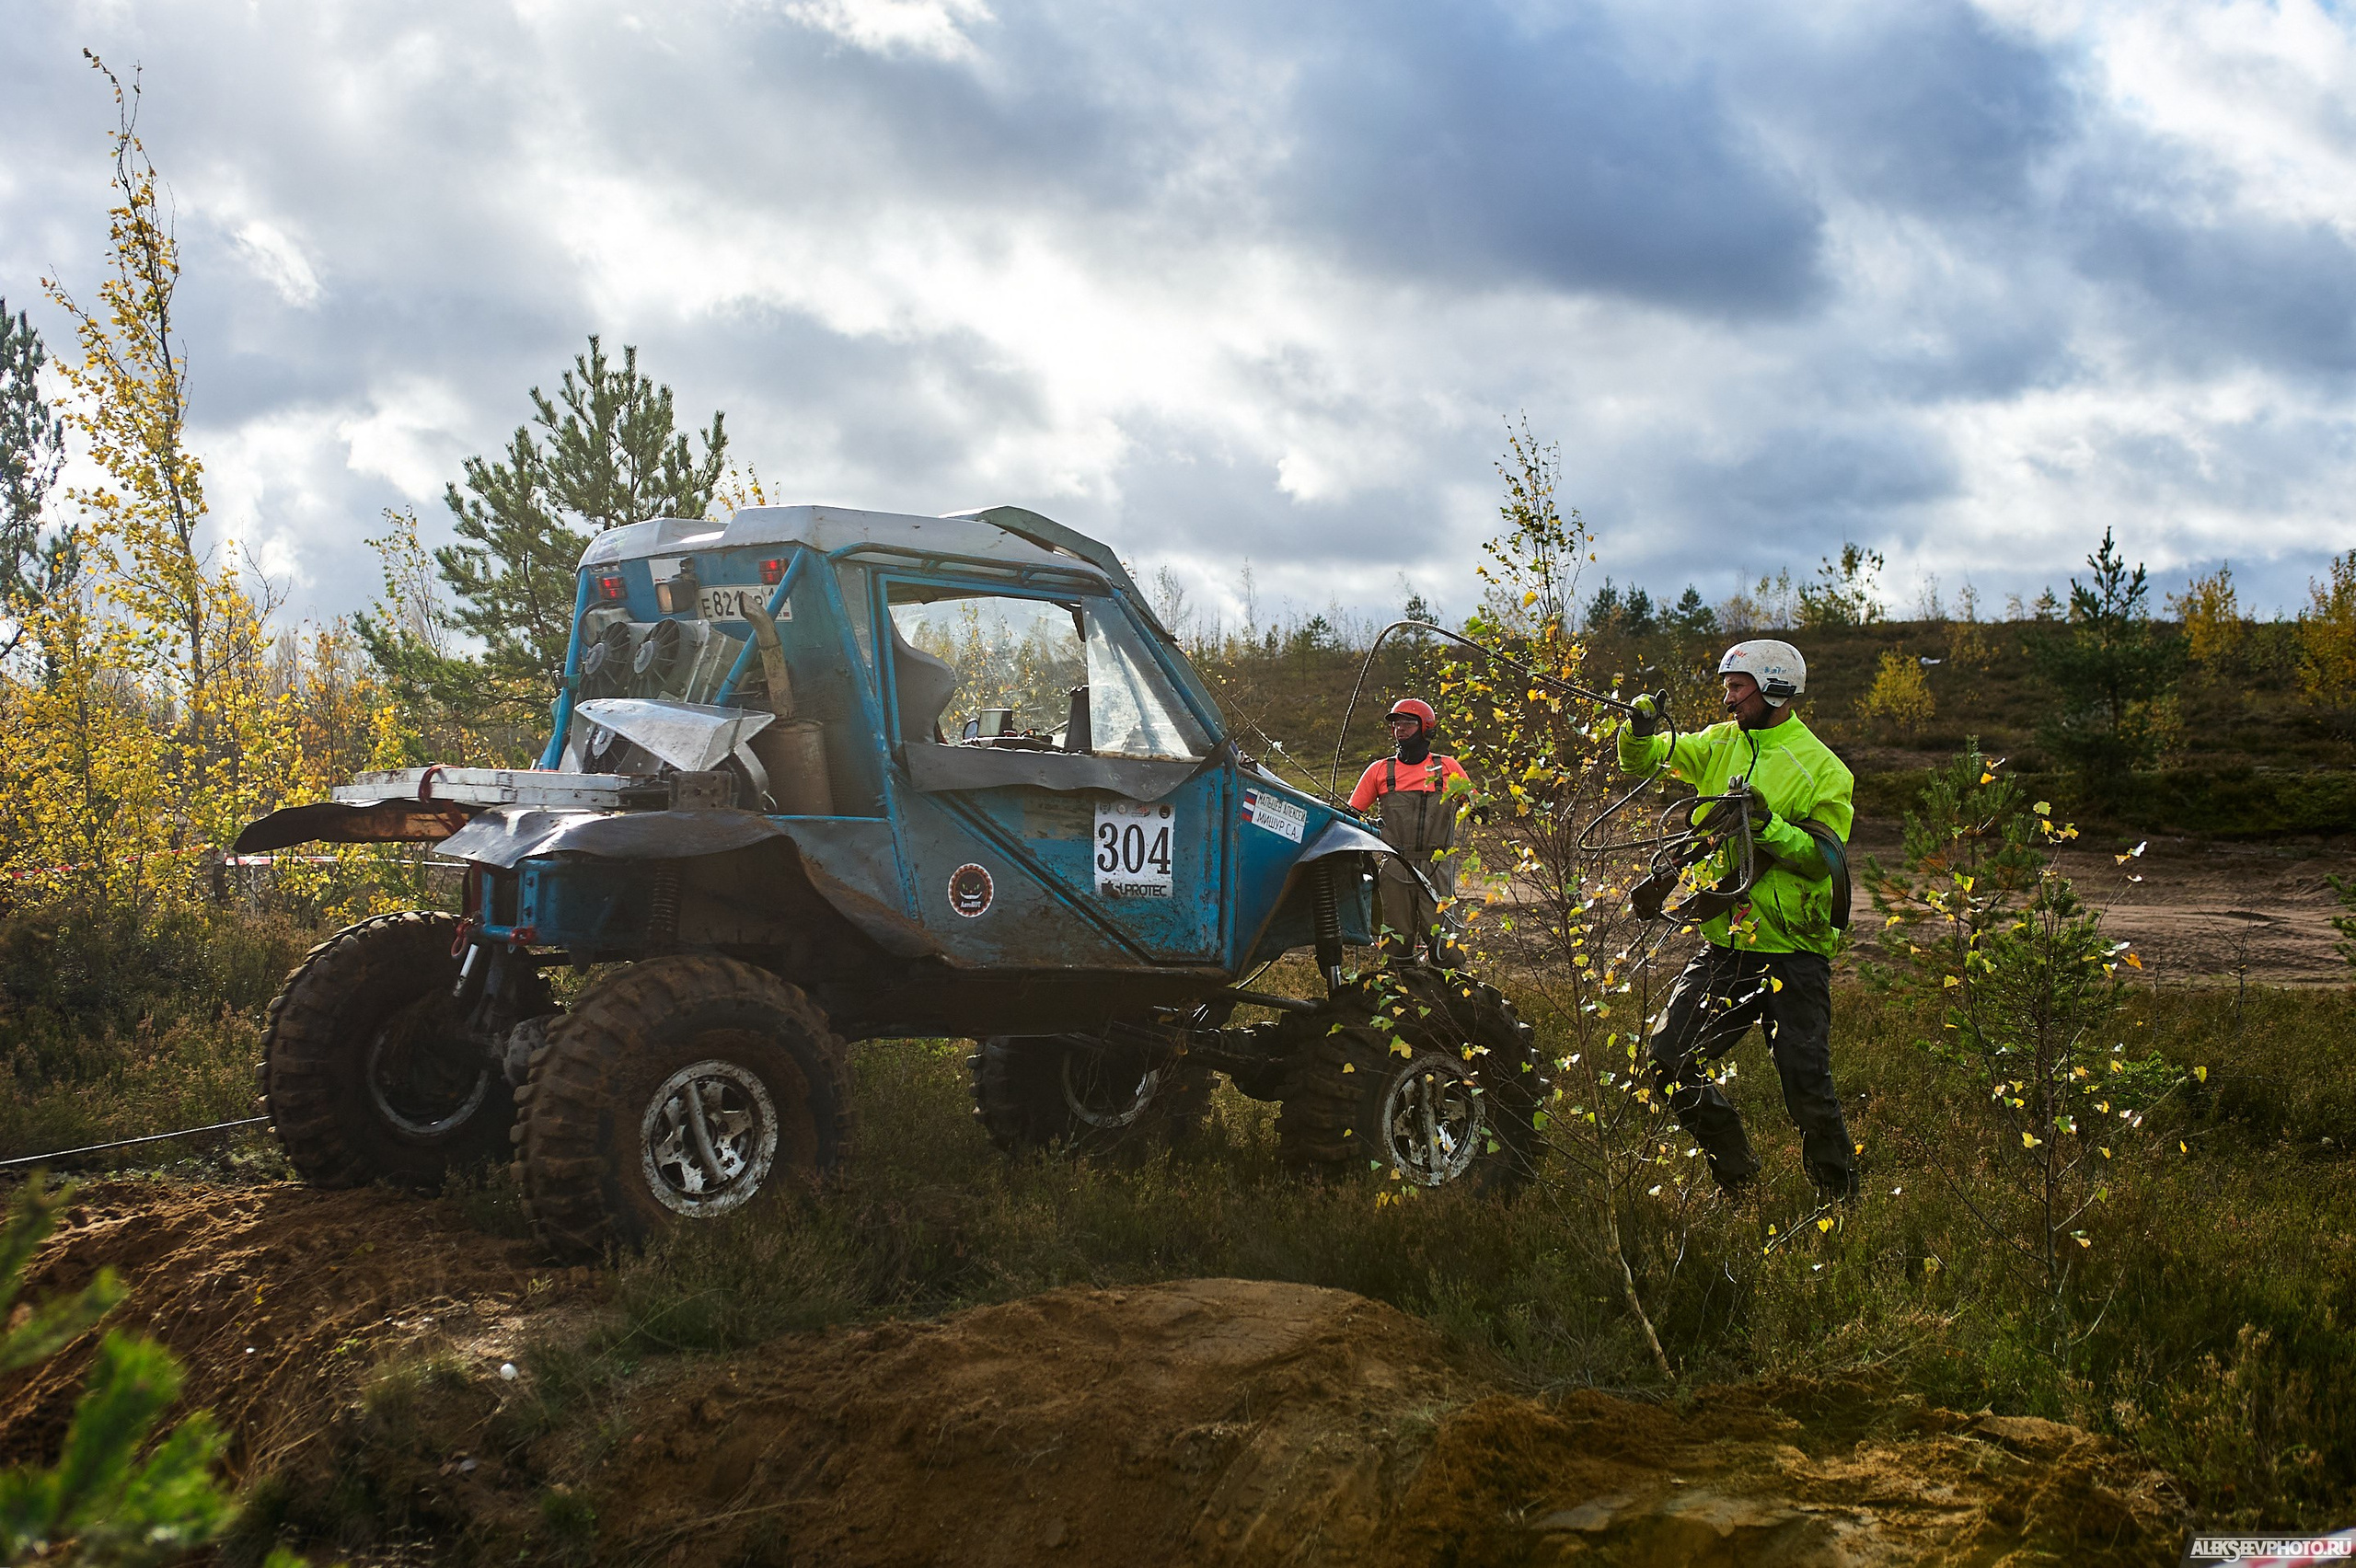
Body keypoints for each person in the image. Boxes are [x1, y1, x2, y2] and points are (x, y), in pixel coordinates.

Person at [1620, 640, 1859, 1201]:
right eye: (1726, 687)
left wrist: (1765, 824)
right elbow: (1645, 760)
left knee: (1806, 1086)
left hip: (1795, 952)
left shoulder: (1824, 771)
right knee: (1669, 1061)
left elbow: (1823, 861)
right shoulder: (1714, 744)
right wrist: (1636, 729)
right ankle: (1740, 1180)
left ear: (1775, 688)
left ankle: (1840, 1201)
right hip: (1727, 948)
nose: (1727, 698)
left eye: (1737, 686)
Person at [1348, 698, 1477, 965]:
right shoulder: (1379, 770)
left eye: (1408, 723)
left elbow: (1477, 805)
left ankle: (1452, 1000)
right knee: (1395, 943)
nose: (1400, 729)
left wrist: (1476, 807)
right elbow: (1351, 816)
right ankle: (1400, 998)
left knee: (1446, 944)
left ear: (1426, 727)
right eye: (1396, 724)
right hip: (1394, 867)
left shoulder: (1448, 768)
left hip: (1437, 867)